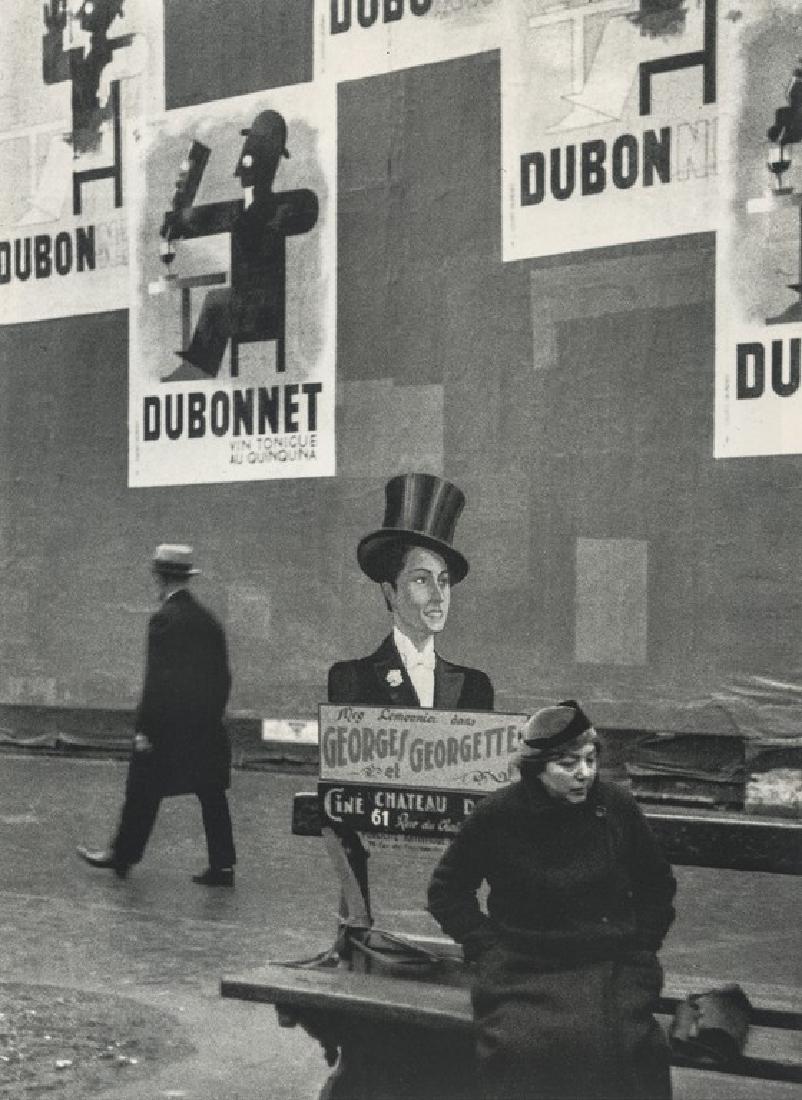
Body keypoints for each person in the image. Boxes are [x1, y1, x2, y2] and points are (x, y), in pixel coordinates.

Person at [427, 699, 677, 1100]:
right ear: (536, 767)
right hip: (523, 965)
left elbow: (656, 884)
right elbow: (447, 891)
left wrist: (641, 943)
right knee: (524, 1049)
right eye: (568, 764)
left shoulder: (616, 807)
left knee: (625, 1048)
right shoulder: (498, 814)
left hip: (609, 962)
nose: (584, 774)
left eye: (590, 760)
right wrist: (486, 946)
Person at [77, 544, 236, 885]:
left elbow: (159, 681)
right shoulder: (208, 621)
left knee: (141, 789)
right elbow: (222, 677)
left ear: (159, 577)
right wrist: (210, 718)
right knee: (211, 794)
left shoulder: (164, 620)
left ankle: (122, 855)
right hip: (204, 727)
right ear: (186, 577)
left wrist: (145, 729)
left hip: (167, 729)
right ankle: (222, 866)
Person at [328, 472, 493, 711]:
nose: (439, 596)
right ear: (390, 592)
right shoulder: (351, 679)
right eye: (421, 580)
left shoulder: (474, 686)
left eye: (444, 581)